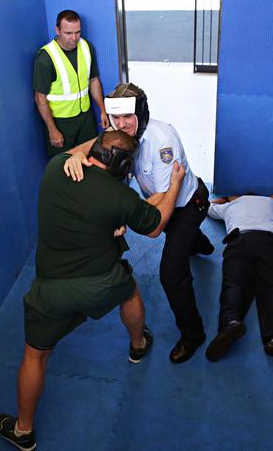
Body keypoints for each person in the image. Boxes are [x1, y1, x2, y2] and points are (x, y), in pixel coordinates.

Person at [0, 130, 186, 450]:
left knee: (35, 356)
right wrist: (175, 183)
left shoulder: (57, 167)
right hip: (103, 283)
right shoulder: (120, 197)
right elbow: (154, 226)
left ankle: (23, 430)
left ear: (92, 151)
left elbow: (82, 151)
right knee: (130, 291)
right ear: (124, 165)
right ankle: (138, 345)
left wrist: (82, 150)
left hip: (50, 290)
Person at [64, 83, 214, 364]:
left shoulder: (161, 141)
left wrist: (123, 217)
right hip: (162, 201)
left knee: (171, 273)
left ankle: (194, 335)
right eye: (116, 118)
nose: (121, 125)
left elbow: (162, 199)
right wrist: (75, 155)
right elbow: (97, 148)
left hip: (185, 206)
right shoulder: (118, 133)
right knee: (187, 244)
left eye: (127, 118)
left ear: (141, 114)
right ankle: (200, 244)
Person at [204, 190, 273, 363]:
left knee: (233, 284)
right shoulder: (270, 203)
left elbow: (209, 208)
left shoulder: (231, 205)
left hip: (238, 241)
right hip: (268, 243)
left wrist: (227, 199)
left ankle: (229, 324)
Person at [33, 9, 110, 157]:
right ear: (57, 30)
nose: (74, 38)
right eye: (68, 33)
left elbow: (93, 80)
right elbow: (39, 97)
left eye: (77, 32)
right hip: (61, 123)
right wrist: (52, 130)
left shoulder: (86, 47)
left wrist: (102, 109)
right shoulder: (45, 58)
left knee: (90, 159)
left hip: (86, 118)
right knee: (64, 165)